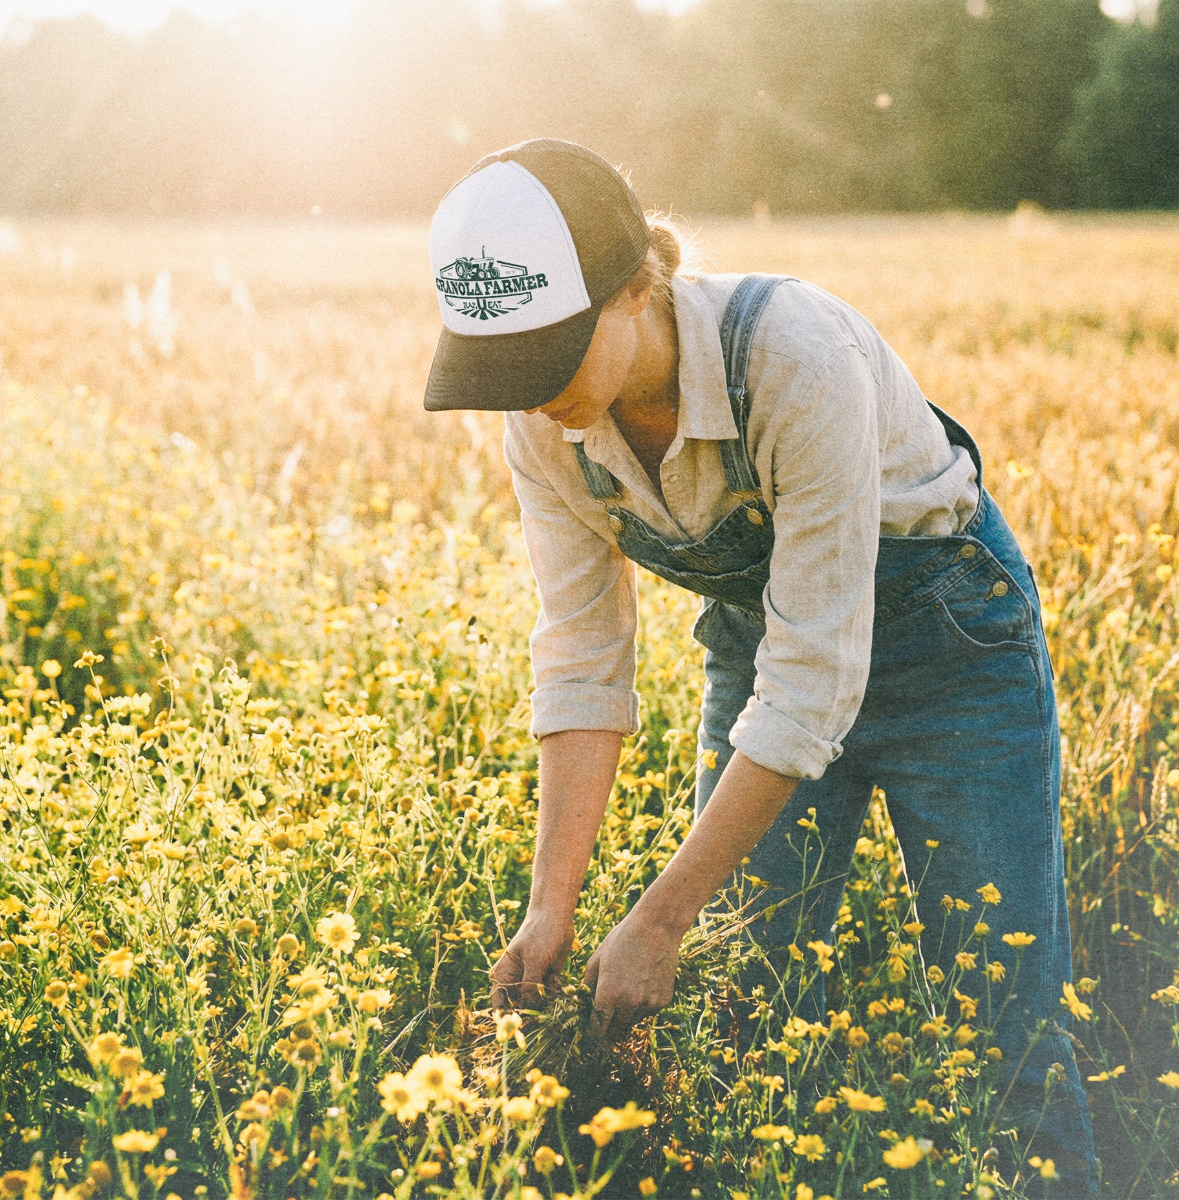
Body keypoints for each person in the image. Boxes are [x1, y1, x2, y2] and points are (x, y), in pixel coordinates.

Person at [423, 137, 1098, 1193]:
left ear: (639, 288)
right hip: (766, 650)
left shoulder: (791, 355)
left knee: (1002, 1013)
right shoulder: (543, 427)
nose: (527, 393)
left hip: (951, 657)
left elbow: (816, 676)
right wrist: (552, 907)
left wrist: (656, 915)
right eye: (500, 364)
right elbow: (583, 660)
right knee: (746, 1006)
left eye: (546, 353)